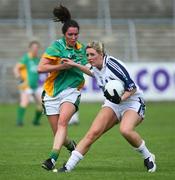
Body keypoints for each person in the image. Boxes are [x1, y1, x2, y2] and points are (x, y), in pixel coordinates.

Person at [57, 41, 157, 173]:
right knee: (93, 133)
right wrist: (74, 64)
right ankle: (68, 167)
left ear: (101, 54)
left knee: (125, 130)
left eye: (92, 54)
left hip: (132, 101)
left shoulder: (112, 65)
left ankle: (148, 157)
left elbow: (132, 88)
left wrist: (120, 99)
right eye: (87, 55)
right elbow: (92, 72)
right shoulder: (96, 66)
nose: (89, 58)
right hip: (113, 103)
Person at [37, 5, 87, 171]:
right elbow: (40, 68)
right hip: (52, 92)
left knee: (63, 123)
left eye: (75, 34)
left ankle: (52, 159)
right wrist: (60, 67)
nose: (73, 37)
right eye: (70, 34)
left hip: (71, 91)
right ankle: (70, 144)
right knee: (59, 133)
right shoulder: (56, 47)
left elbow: (92, 68)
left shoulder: (83, 50)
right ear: (64, 34)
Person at [13, 40, 43, 126]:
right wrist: (18, 76)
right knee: (24, 102)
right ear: (30, 48)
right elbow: (16, 67)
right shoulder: (26, 58)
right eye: (33, 47)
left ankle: (36, 121)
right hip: (26, 85)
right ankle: (19, 121)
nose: (35, 49)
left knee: (42, 104)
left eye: (37, 47)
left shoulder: (37, 59)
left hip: (35, 85)